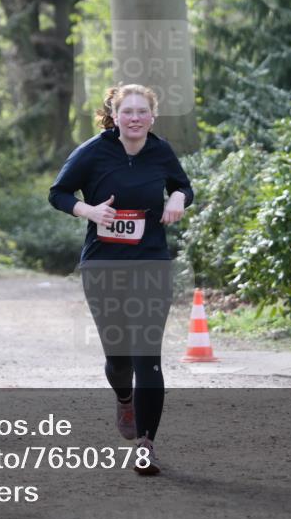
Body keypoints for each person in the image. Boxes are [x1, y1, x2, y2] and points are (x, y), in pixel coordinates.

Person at [49, 84, 193, 475]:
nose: (134, 118)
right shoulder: (94, 151)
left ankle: (146, 444)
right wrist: (89, 211)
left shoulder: (160, 151)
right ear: (114, 115)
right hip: (103, 266)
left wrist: (178, 198)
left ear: (152, 116)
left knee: (148, 356)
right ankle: (124, 396)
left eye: (141, 112)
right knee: (119, 359)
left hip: (151, 264)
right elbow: (58, 193)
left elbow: (183, 185)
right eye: (126, 111)